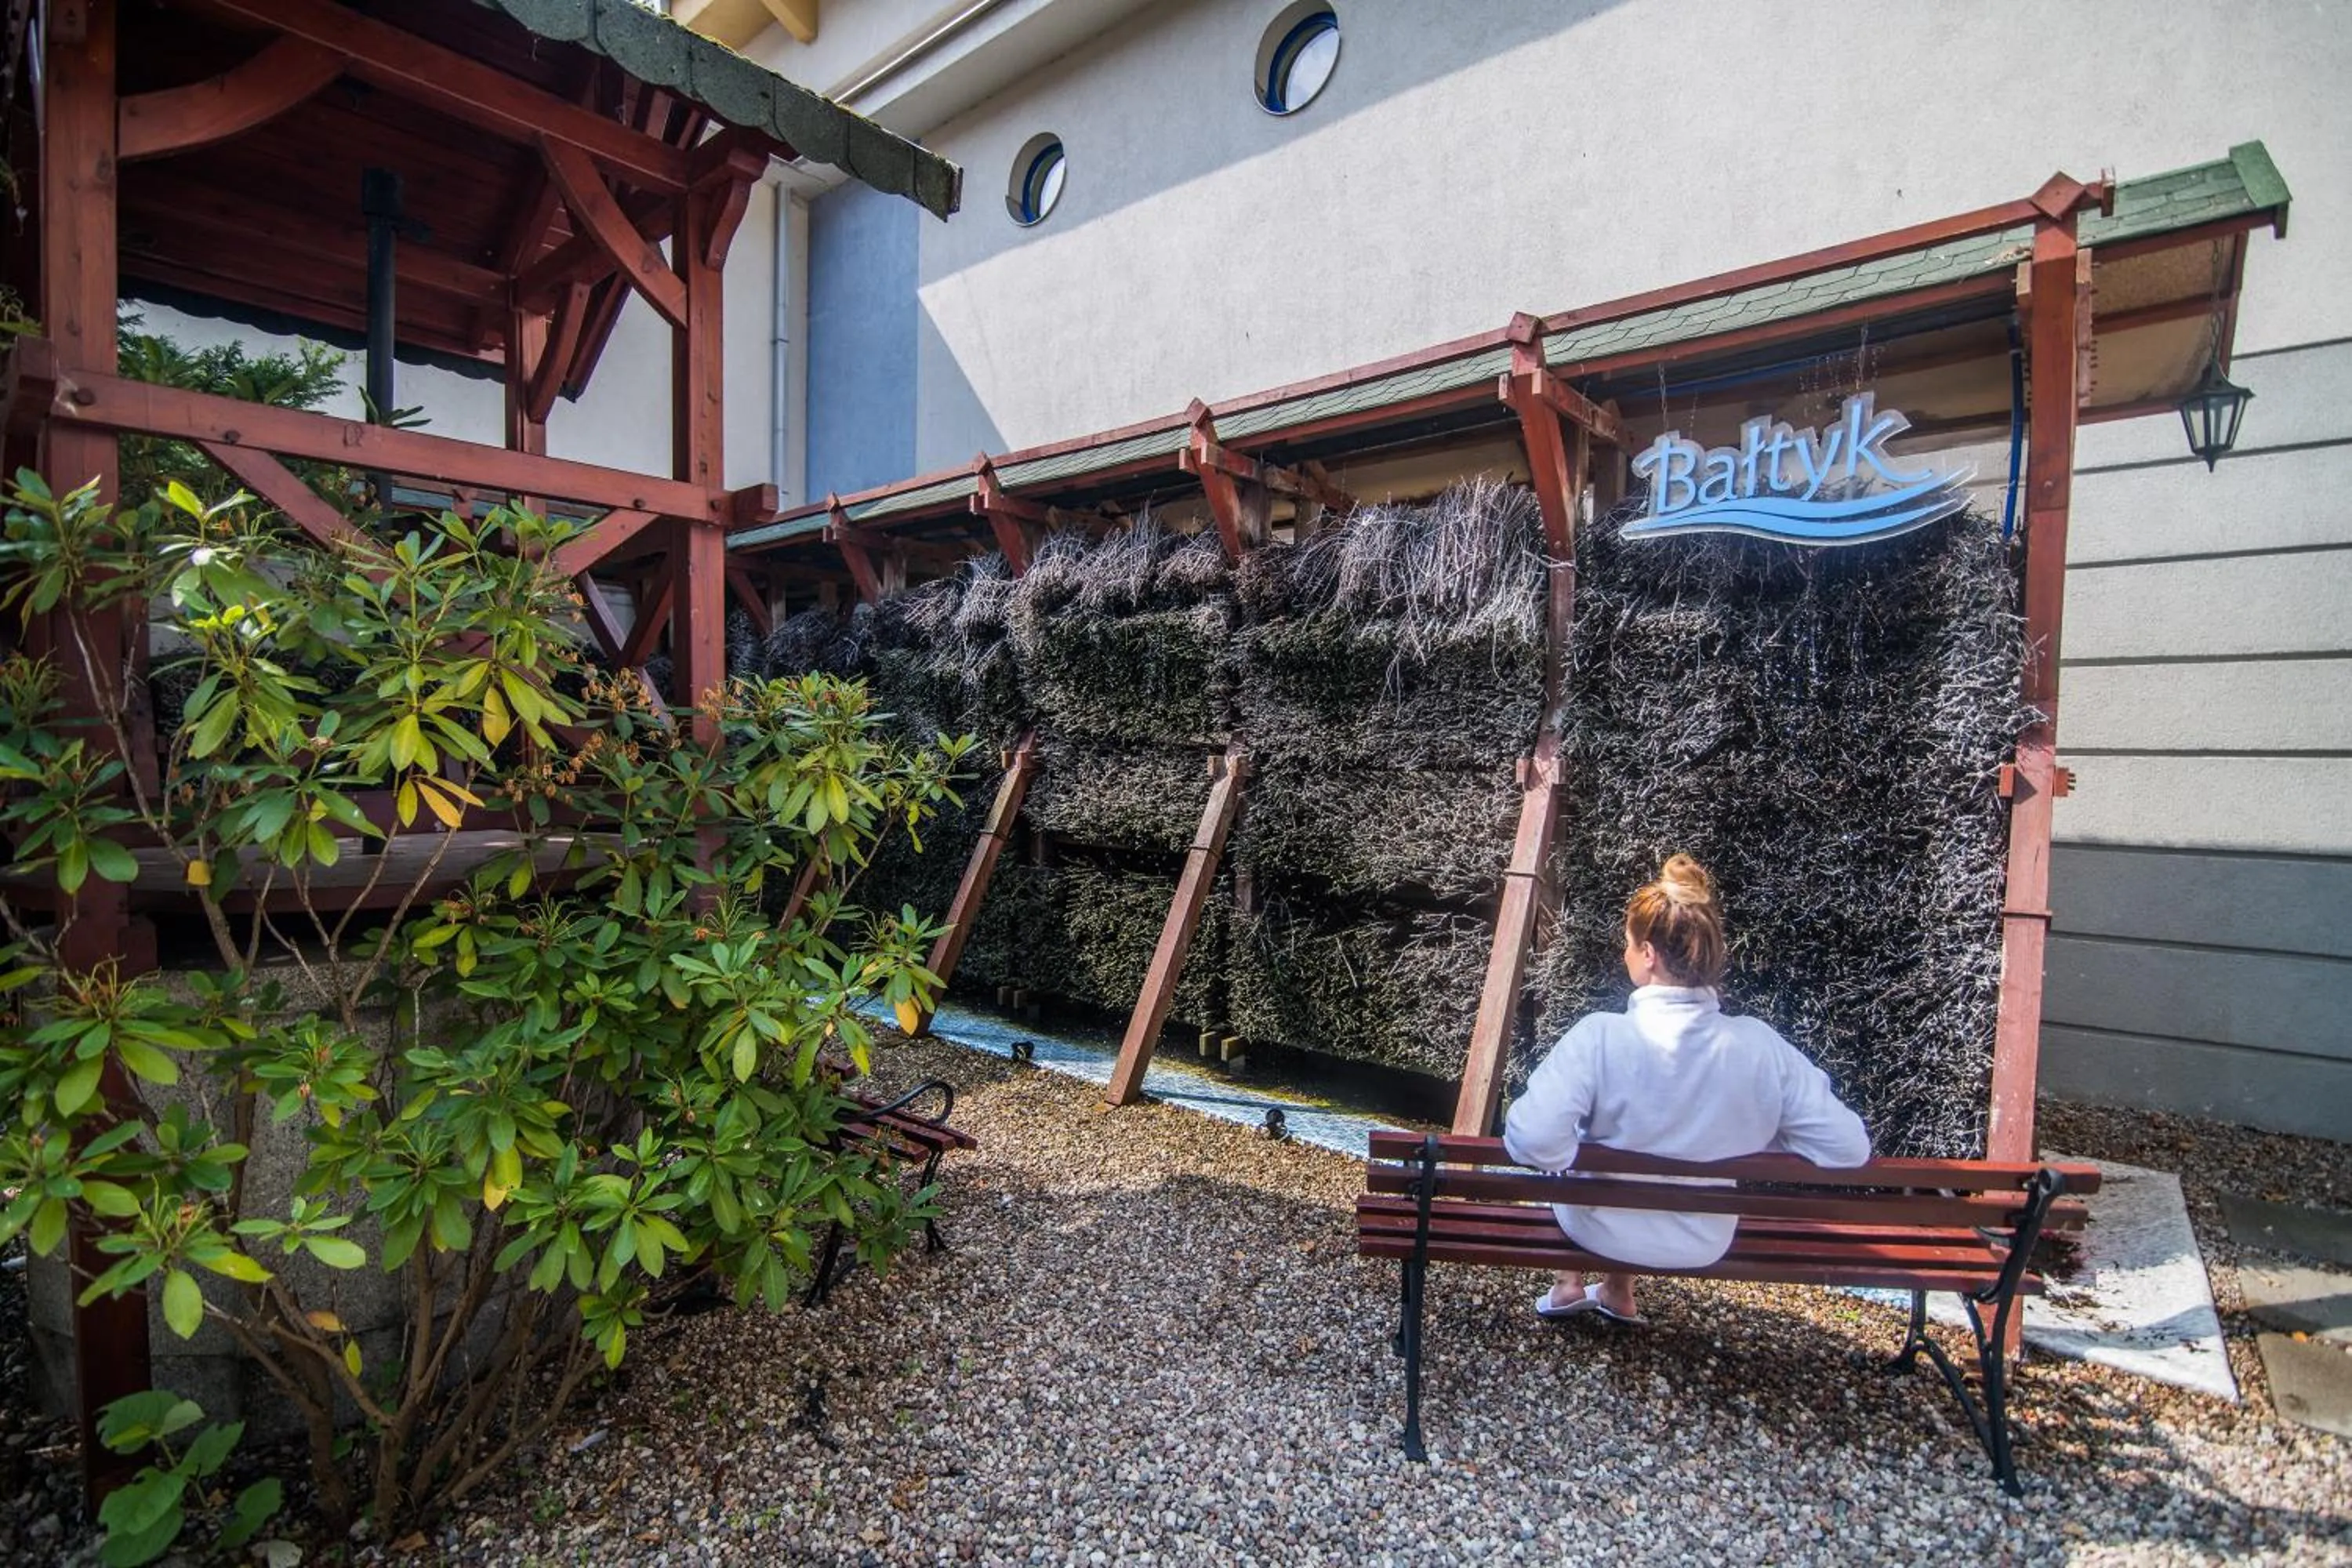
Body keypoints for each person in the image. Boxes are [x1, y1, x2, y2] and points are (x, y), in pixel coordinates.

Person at [1502, 853, 1870, 1324]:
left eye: (1630, 944)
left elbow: (1532, 1141)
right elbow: (1847, 1148)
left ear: (1650, 955)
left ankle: (1566, 1281)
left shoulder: (1599, 1036)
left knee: (1568, 1138)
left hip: (1600, 1229)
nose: (1625, 954)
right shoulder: (1759, 1046)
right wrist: (1768, 1134)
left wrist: (1570, 1152)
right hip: (1703, 1237)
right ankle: (1618, 1292)